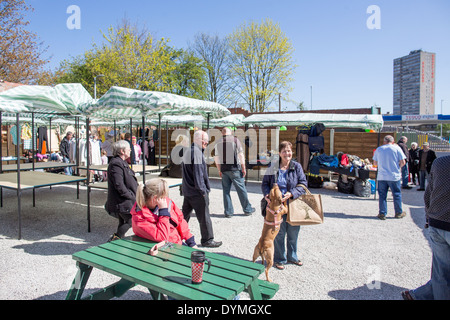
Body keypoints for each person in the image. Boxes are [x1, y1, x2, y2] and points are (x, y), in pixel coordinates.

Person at [402, 155, 450, 300]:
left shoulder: (440, 162)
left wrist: (429, 217)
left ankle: (417, 295)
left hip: (437, 221)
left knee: (441, 273)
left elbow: (429, 193)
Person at [261, 141, 308, 270]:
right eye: (284, 151)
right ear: (280, 153)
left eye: (289, 151)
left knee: (293, 233)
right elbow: (265, 184)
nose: (287, 153)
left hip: (293, 205)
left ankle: (292, 257)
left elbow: (303, 184)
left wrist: (292, 193)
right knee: (279, 234)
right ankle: (280, 259)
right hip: (276, 207)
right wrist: (266, 195)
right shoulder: (273, 167)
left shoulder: (296, 166)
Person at [181, 130, 222, 248]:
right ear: (198, 140)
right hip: (196, 192)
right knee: (204, 217)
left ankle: (175, 234)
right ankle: (207, 239)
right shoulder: (197, 153)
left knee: (183, 217)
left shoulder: (188, 151)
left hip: (188, 191)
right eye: (205, 141)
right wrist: (203, 191)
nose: (206, 143)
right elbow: (198, 175)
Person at [131, 178, 197, 247]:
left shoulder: (166, 202)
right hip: (163, 248)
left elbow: (180, 220)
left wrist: (190, 241)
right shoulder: (139, 218)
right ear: (155, 198)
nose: (165, 198)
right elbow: (162, 237)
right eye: (163, 195)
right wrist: (163, 212)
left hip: (175, 242)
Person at [214, 127, 255, 218]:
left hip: (224, 170)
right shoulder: (235, 140)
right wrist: (244, 168)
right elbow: (240, 154)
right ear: (231, 132)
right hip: (235, 169)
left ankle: (228, 212)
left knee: (226, 191)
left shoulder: (218, 142)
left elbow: (216, 158)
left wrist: (219, 169)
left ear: (222, 133)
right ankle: (247, 209)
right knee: (241, 190)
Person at [105, 140, 138, 242]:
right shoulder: (116, 164)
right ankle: (115, 239)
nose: (130, 151)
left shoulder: (120, 162)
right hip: (122, 201)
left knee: (123, 220)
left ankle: (118, 241)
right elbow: (119, 185)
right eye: (128, 149)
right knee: (130, 221)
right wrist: (130, 195)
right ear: (122, 151)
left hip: (122, 200)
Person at [373, 135, 407, 220]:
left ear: (384, 141)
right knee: (396, 194)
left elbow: (375, 163)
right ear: (392, 141)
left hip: (382, 176)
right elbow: (403, 162)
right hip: (394, 176)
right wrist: (398, 167)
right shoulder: (397, 148)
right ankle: (398, 212)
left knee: (382, 195)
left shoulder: (379, 149)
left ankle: (382, 213)